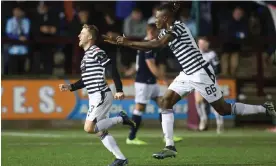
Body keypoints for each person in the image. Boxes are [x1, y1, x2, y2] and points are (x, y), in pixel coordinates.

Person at [103, 2, 276, 160]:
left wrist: (127, 43)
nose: (154, 19)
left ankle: (264, 108)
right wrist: (125, 41)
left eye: (157, 17)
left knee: (223, 109)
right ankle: (169, 146)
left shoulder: (176, 28)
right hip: (186, 73)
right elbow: (155, 41)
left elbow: (156, 45)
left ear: (165, 18)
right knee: (165, 102)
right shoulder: (165, 31)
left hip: (201, 73)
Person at [58, 24, 135, 166]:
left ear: (90, 37)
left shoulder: (96, 51)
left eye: (82, 33)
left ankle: (120, 119)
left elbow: (111, 68)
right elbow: (86, 79)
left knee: (88, 128)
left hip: (101, 94)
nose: (79, 36)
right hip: (95, 96)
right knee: (100, 131)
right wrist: (71, 87)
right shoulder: (87, 55)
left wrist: (119, 89)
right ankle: (121, 159)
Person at [126, 23, 183, 145]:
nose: (157, 35)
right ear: (151, 32)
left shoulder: (147, 44)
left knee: (163, 104)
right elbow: (151, 65)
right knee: (140, 108)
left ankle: (167, 136)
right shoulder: (148, 45)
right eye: (156, 32)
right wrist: (165, 80)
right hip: (144, 82)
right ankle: (131, 138)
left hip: (151, 82)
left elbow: (139, 64)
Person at [195, 37, 223, 133]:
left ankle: (219, 123)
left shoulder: (212, 54)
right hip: (198, 81)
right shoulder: (195, 54)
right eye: (200, 43)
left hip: (210, 81)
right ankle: (203, 120)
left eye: (203, 43)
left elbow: (218, 69)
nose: (201, 45)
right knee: (199, 102)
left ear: (207, 44)